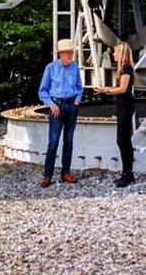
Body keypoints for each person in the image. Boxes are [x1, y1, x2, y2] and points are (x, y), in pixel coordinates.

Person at [38, 38, 84, 188]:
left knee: (69, 141)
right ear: (61, 53)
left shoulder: (75, 67)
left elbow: (79, 87)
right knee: (53, 142)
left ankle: (65, 172)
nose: (69, 55)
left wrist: (77, 101)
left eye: (71, 52)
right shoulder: (51, 68)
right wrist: (52, 105)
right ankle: (47, 175)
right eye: (67, 53)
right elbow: (42, 91)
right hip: (57, 106)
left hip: (71, 106)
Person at [94, 41, 136, 187]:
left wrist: (105, 90)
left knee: (122, 140)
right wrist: (107, 88)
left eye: (115, 52)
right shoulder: (124, 69)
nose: (113, 54)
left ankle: (127, 174)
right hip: (123, 106)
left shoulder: (126, 68)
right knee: (124, 140)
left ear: (122, 53)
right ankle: (128, 173)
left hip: (126, 106)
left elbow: (123, 89)